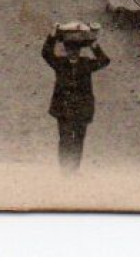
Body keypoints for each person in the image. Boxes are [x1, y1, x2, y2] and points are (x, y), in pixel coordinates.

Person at [43, 23, 111, 172]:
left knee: (79, 140)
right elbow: (46, 53)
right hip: (63, 108)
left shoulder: (86, 64)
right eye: (70, 49)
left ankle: (74, 169)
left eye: (76, 50)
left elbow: (104, 60)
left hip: (82, 108)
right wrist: (52, 35)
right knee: (65, 139)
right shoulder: (60, 63)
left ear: (80, 51)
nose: (73, 53)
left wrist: (93, 44)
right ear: (66, 50)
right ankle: (65, 169)